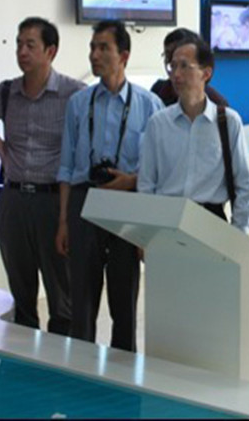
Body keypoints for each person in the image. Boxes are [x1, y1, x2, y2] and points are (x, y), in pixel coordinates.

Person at [0, 17, 85, 335]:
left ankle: (61, 357)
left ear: (50, 51)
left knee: (61, 296)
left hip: (53, 201)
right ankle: (24, 353)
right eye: (19, 44)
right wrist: (0, 148)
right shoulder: (8, 91)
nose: (22, 51)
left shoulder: (74, 94)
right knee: (21, 291)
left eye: (30, 45)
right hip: (14, 198)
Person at [56, 20, 163, 351]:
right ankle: (80, 368)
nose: (95, 55)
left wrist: (146, 229)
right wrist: (63, 222)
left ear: (124, 56)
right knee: (82, 300)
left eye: (104, 48)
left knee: (124, 299)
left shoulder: (149, 105)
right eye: (92, 47)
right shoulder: (78, 103)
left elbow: (156, 172)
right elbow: (66, 167)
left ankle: (123, 372)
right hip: (84, 200)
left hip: (128, 204)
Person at [138, 38, 249, 230]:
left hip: (211, 220)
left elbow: (243, 184)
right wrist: (146, 229)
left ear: (206, 73)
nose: (176, 74)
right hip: (166, 218)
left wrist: (239, 232)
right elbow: (146, 184)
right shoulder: (158, 123)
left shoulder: (228, 121)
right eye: (173, 66)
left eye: (184, 66)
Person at [150, 28, 229, 107]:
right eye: (167, 54)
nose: (172, 58)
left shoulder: (216, 104)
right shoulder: (157, 93)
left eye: (184, 65)